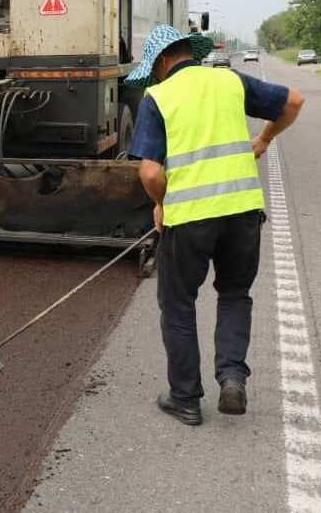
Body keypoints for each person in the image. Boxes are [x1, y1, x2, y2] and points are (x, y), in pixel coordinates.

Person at [126, 24, 304, 426]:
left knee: (178, 303)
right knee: (235, 293)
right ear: (191, 51)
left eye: (152, 69)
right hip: (243, 211)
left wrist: (160, 205)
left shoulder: (159, 96)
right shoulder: (229, 80)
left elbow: (151, 174)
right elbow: (293, 102)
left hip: (189, 219)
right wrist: (263, 140)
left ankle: (185, 398)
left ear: (162, 61)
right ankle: (232, 377)